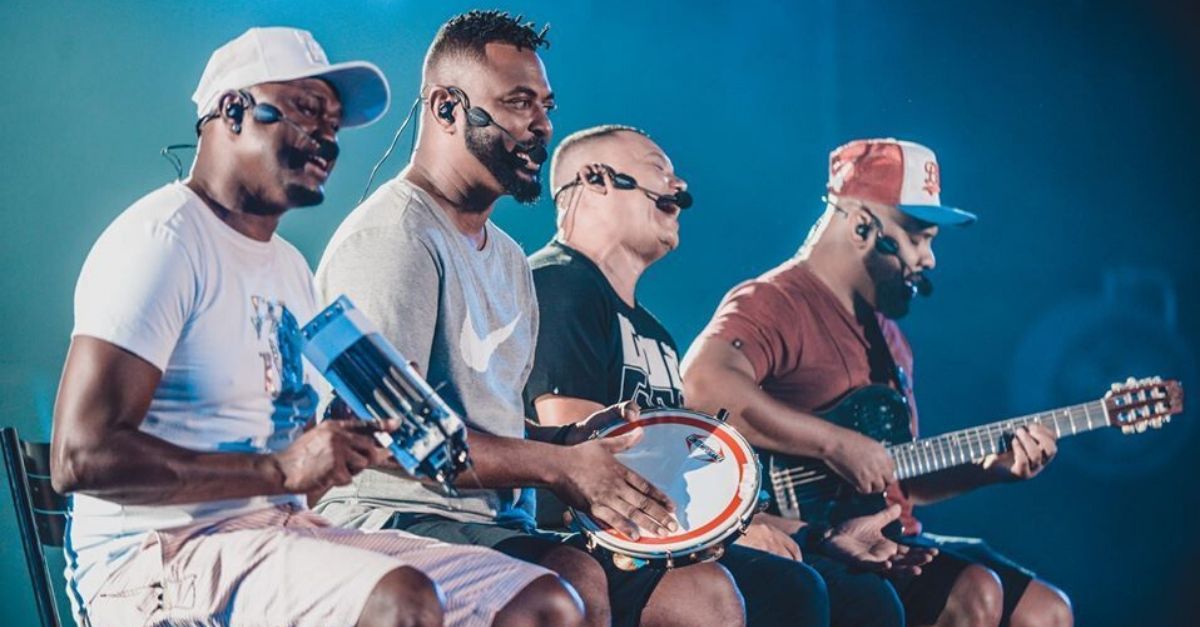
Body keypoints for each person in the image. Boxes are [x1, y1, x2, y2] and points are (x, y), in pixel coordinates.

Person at [51, 26, 582, 627]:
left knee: (543, 602)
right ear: (233, 111)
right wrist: (280, 469)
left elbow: (296, 480)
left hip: (280, 529)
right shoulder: (164, 239)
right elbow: (79, 457)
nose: (327, 139)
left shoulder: (288, 270)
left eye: (334, 124)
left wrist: (345, 441)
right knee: (399, 598)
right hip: (157, 555)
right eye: (307, 111)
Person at [313, 11, 744, 627]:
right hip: (389, 519)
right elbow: (384, 436)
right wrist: (560, 467)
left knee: (702, 594)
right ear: (446, 108)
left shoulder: (509, 259)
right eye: (518, 103)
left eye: (546, 106)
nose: (541, 125)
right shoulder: (393, 238)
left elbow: (483, 423)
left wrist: (569, 441)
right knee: (569, 580)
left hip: (493, 522)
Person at [526, 124, 939, 627]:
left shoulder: (655, 333)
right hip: (589, 545)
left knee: (863, 597)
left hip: (655, 532)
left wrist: (817, 536)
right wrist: (735, 534)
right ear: (596, 180)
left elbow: (686, 484)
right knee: (796, 591)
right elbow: (588, 472)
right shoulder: (561, 285)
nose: (680, 188)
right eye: (659, 172)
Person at [681, 138, 1074, 627]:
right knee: (976, 593)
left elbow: (893, 473)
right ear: (863, 226)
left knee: (1046, 611)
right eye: (919, 238)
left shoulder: (890, 337)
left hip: (894, 532)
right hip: (824, 541)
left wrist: (989, 469)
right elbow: (702, 384)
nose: (929, 259)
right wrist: (834, 444)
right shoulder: (775, 301)